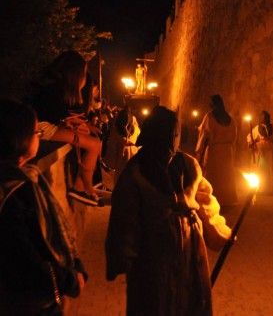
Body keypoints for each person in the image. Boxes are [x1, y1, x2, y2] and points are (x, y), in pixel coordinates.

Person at [106, 106, 232, 316]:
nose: (171, 140)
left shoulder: (189, 165)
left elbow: (206, 202)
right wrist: (124, 255)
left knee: (190, 303)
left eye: (174, 134)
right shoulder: (135, 172)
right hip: (153, 257)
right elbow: (124, 218)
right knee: (155, 304)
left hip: (190, 254)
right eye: (167, 134)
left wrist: (219, 232)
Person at [0, 98, 87, 315]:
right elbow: (27, 253)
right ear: (20, 139)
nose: (39, 137)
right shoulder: (15, 191)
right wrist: (68, 279)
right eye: (36, 133)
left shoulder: (25, 178)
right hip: (30, 303)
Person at [27, 50, 102, 206]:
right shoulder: (54, 88)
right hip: (39, 127)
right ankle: (83, 188)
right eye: (84, 72)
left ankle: (83, 186)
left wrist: (73, 124)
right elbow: (52, 116)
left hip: (41, 124)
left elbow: (58, 114)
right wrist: (72, 126)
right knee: (94, 144)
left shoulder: (54, 85)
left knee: (89, 140)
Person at [195, 94, 238, 207]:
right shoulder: (230, 118)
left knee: (214, 174)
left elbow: (204, 134)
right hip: (227, 151)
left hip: (215, 151)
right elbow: (234, 136)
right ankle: (226, 199)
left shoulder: (210, 116)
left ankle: (212, 199)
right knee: (225, 175)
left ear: (213, 104)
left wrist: (199, 151)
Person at [247, 110, 273, 193]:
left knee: (269, 169)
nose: (263, 118)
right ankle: (260, 188)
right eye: (262, 116)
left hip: (269, 151)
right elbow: (250, 137)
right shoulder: (256, 128)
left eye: (265, 116)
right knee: (260, 170)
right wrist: (252, 142)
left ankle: (268, 188)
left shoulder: (272, 128)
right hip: (260, 152)